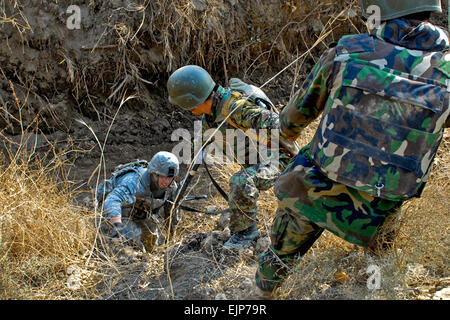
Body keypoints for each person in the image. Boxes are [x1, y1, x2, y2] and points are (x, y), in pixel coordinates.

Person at [255, 0, 450, 295]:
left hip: (314, 189)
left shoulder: (346, 52)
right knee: (382, 270)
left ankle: (261, 292)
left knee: (277, 263)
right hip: (382, 207)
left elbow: (290, 124)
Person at [167, 66, 298, 249]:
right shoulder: (210, 117)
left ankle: (246, 234)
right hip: (259, 162)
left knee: (240, 181)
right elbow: (200, 150)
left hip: (281, 160)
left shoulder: (234, 107)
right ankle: (243, 230)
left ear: (192, 100)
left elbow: (279, 124)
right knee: (241, 181)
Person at [98, 151, 181, 249]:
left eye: (170, 177)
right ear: (154, 174)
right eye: (163, 177)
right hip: (115, 213)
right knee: (132, 238)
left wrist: (172, 234)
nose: (166, 181)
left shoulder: (171, 187)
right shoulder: (134, 182)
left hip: (138, 213)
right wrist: (117, 228)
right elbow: (112, 200)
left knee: (153, 241)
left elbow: (171, 211)